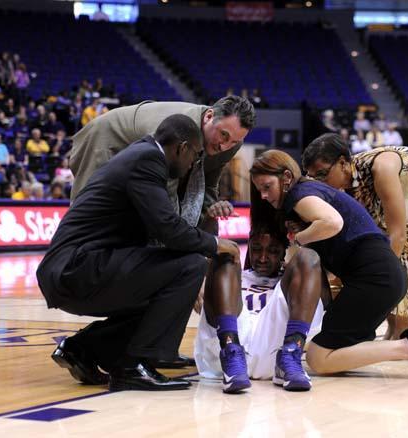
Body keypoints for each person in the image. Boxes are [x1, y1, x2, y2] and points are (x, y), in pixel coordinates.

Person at [36, 115, 240, 391]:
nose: (193, 163)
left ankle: (82, 349)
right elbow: (169, 229)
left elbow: (162, 234)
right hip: (78, 267)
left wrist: (182, 291)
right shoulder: (147, 161)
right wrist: (217, 244)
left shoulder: (140, 156)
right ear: (181, 148)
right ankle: (134, 364)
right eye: (194, 155)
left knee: (165, 283)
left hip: (76, 267)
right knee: (190, 266)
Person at [250, 150, 408, 381]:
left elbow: (332, 222)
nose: (263, 195)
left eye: (266, 186)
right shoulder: (314, 193)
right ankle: (406, 345)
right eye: (258, 189)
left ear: (286, 177)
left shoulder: (299, 194)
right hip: (386, 278)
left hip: (376, 280)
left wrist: (297, 239)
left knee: (318, 358)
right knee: (332, 348)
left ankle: (407, 347)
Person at [302, 135, 408, 339]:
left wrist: (374, 282)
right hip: (405, 192)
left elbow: (397, 235)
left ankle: (404, 328)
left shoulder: (381, 169)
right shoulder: (348, 182)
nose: (318, 183)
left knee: (396, 254)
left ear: (343, 163)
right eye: (312, 178)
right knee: (377, 250)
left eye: (321, 174)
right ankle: (401, 327)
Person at [68, 96, 254, 233]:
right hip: (107, 139)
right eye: (224, 135)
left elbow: (208, 185)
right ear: (209, 116)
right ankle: (65, 267)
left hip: (143, 149)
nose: (225, 146)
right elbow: (166, 197)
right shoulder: (178, 131)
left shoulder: (231, 144)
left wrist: (211, 214)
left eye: (234, 141)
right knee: (86, 215)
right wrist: (181, 238)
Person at [195, 226, 326, 392]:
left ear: (283, 252)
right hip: (225, 345)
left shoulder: (291, 281)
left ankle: (291, 354)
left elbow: (325, 300)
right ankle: (231, 353)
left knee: (308, 256)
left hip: (274, 348)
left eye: (272, 251)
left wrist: (296, 267)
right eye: (256, 249)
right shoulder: (231, 272)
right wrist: (200, 281)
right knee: (226, 250)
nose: (263, 258)